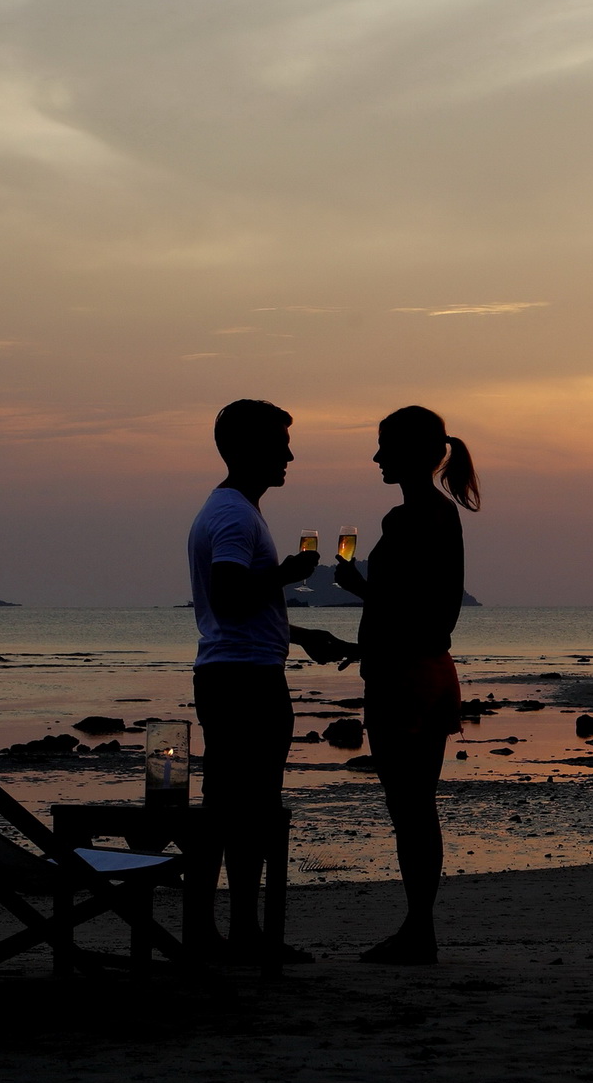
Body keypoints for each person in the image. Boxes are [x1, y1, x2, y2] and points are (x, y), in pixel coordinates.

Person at [292, 405, 480, 965]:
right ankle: (418, 928)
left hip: (404, 680)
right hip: (431, 671)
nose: (376, 457)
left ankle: (418, 933)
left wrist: (355, 584)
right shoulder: (444, 514)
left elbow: (406, 606)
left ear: (413, 454)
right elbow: (428, 614)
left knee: (410, 809)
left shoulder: (406, 519)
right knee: (419, 807)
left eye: (384, 447)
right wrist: (363, 642)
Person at [188, 399, 318, 963]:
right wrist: (286, 574)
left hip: (231, 672)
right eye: (277, 444)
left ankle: (220, 929)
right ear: (242, 451)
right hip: (245, 682)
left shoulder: (229, 510)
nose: (288, 454)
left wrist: (299, 631)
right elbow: (229, 596)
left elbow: (237, 608)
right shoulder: (236, 516)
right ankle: (240, 932)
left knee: (228, 805)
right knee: (251, 807)